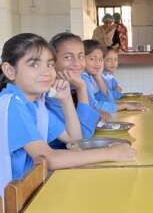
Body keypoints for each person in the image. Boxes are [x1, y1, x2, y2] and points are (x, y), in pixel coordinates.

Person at [0, 33, 136, 193]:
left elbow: (75, 139)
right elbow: (47, 159)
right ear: (10, 70)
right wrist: (109, 153)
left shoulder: (37, 103)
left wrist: (66, 99)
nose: (46, 72)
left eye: (49, 64)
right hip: (13, 201)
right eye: (34, 65)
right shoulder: (11, 104)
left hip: (32, 190)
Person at [46, 33, 100, 149]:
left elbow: (96, 116)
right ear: (52, 61)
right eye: (68, 57)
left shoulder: (78, 81)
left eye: (81, 56)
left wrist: (81, 87)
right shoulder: (49, 94)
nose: (77, 63)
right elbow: (82, 140)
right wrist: (81, 89)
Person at [81, 40, 117, 118]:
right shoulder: (83, 78)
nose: (97, 63)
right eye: (92, 59)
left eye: (100, 59)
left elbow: (108, 100)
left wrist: (98, 77)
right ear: (81, 59)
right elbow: (94, 106)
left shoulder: (91, 77)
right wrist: (123, 106)